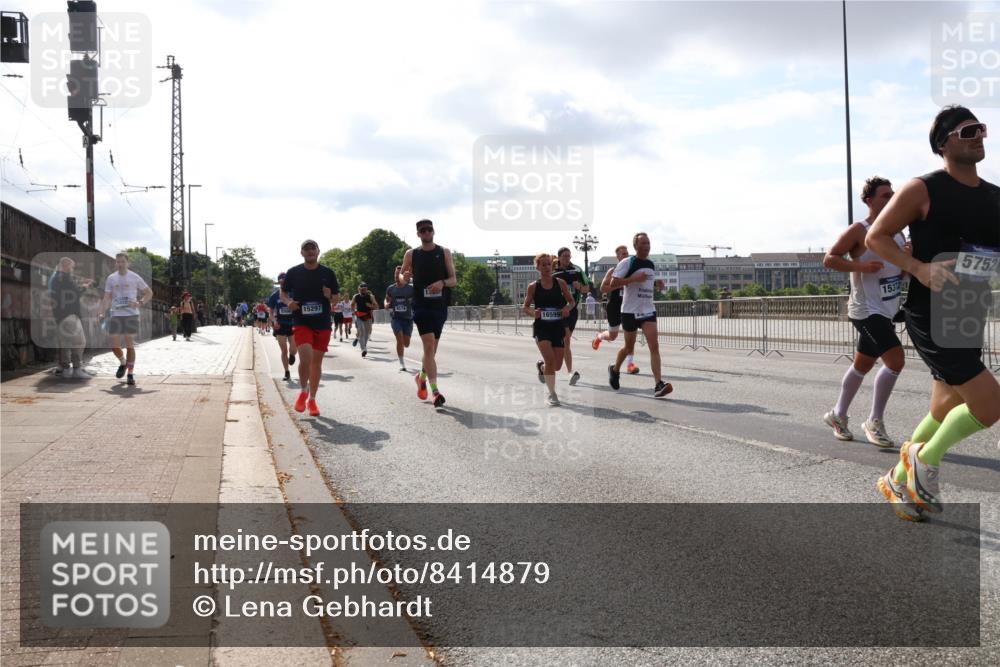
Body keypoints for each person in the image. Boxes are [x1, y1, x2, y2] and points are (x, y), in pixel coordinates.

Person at [867, 105, 999, 521]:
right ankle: (927, 459)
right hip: (932, 313)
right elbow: (877, 237)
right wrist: (919, 268)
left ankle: (896, 476)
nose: (978, 136)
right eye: (967, 131)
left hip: (970, 310)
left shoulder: (995, 196)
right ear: (943, 143)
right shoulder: (924, 189)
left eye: (981, 129)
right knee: (990, 405)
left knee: (944, 408)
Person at [821, 176, 908, 448]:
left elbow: (898, 272)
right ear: (869, 201)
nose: (891, 198)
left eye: (893, 194)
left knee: (863, 364)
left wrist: (908, 260)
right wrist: (861, 267)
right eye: (885, 195)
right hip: (866, 310)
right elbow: (830, 258)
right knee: (895, 361)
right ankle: (874, 421)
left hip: (887, 309)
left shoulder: (898, 232)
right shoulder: (860, 230)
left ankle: (837, 414)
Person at [607, 233, 673, 398]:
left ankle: (658, 384)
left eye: (648, 242)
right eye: (643, 243)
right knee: (629, 348)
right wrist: (633, 278)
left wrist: (657, 284)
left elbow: (646, 281)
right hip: (629, 311)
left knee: (654, 345)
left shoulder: (650, 264)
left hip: (648, 310)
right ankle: (615, 370)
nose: (647, 245)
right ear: (636, 246)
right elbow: (613, 284)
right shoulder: (627, 262)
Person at [281, 239, 340, 417]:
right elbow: (283, 293)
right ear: (302, 253)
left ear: (318, 251)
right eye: (306, 249)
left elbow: (336, 298)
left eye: (312, 248)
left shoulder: (328, 273)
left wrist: (330, 296)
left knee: (316, 363)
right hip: (302, 321)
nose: (310, 251)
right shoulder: (293, 272)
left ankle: (312, 399)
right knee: (305, 358)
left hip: (322, 323)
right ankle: (303, 390)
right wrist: (289, 302)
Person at [401, 219, 456, 408]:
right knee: (429, 345)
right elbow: (402, 277)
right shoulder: (412, 254)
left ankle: (421, 377)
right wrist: (404, 277)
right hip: (421, 305)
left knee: (431, 351)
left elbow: (453, 279)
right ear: (418, 234)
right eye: (422, 231)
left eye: (429, 230)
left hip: (440, 306)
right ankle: (435, 391)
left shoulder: (444, 252)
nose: (426, 233)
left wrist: (442, 283)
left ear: (433, 232)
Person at [524, 253, 576, 406]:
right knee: (550, 360)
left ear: (552, 266)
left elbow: (572, 301)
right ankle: (552, 394)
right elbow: (525, 307)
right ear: (538, 267)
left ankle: (542, 367)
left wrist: (567, 308)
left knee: (557, 365)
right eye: (543, 264)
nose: (547, 267)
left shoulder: (560, 283)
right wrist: (534, 313)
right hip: (542, 327)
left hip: (557, 326)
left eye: (549, 264)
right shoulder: (533, 286)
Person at [99, 252, 153, 386]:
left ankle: (130, 374)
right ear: (115, 263)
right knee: (114, 345)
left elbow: (149, 293)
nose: (120, 264)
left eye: (122, 261)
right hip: (116, 314)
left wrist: (140, 303)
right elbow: (107, 297)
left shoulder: (134, 277)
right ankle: (123, 362)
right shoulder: (111, 278)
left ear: (127, 263)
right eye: (118, 262)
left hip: (131, 315)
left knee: (129, 344)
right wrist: (101, 312)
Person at [593, 244, 640, 374]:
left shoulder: (632, 271)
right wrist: (620, 283)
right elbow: (603, 288)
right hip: (614, 306)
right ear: (617, 257)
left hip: (629, 306)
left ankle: (630, 365)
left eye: (627, 253)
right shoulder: (612, 271)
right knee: (613, 336)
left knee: (631, 338)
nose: (626, 255)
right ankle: (600, 336)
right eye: (623, 254)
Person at [552, 247, 591, 386]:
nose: (567, 258)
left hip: (572, 309)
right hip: (557, 311)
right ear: (559, 257)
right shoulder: (554, 272)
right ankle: (570, 372)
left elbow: (587, 288)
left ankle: (548, 367)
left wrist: (579, 286)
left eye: (569, 256)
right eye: (564, 256)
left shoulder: (577, 270)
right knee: (566, 338)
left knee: (565, 341)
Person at [48, 257, 93, 377]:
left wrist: (79, 284)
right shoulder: (65, 277)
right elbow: (76, 293)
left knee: (65, 342)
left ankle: (65, 369)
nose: (73, 269)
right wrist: (85, 286)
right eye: (72, 267)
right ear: (66, 266)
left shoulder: (55, 278)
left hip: (59, 316)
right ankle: (77, 369)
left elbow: (68, 290)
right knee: (80, 341)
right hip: (70, 315)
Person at [267, 272, 298, 381]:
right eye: (281, 281)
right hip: (280, 324)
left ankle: (293, 355)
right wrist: (274, 321)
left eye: (285, 281)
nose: (283, 283)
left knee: (293, 349)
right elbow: (270, 311)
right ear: (279, 282)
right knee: (283, 350)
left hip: (293, 324)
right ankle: (286, 372)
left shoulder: (294, 293)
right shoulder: (274, 296)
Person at [385, 266, 415, 371]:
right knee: (400, 339)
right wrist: (386, 304)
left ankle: (402, 358)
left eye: (399, 274)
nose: (397, 276)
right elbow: (386, 299)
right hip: (396, 318)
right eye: (395, 274)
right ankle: (402, 363)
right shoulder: (391, 288)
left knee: (406, 343)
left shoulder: (410, 289)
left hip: (408, 318)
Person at [351, 283, 379, 357]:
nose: (363, 291)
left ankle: (364, 345)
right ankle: (363, 349)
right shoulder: (355, 296)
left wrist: (370, 305)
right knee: (361, 332)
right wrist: (353, 311)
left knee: (367, 333)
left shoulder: (370, 296)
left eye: (364, 289)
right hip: (359, 316)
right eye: (361, 289)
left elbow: (376, 306)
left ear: (366, 289)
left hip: (367, 316)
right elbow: (352, 304)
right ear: (359, 289)